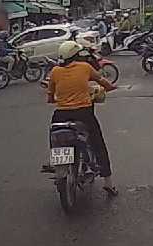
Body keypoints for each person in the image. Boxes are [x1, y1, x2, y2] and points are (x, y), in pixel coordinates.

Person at [46, 40, 118, 195]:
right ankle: (108, 182)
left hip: (61, 114)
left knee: (56, 137)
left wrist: (54, 99)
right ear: (76, 55)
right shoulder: (85, 67)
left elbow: (50, 95)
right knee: (98, 144)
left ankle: (58, 164)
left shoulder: (55, 71)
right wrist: (111, 87)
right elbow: (102, 81)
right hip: (83, 113)